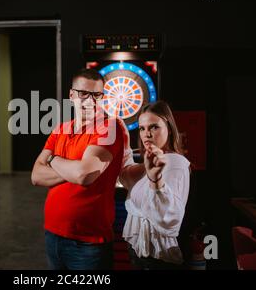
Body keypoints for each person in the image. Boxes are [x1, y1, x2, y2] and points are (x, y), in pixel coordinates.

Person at [31, 68, 124, 270]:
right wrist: (72, 169)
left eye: (96, 95)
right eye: (83, 94)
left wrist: (54, 158)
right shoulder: (60, 129)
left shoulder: (110, 129)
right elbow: (36, 176)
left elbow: (84, 175)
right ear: (72, 95)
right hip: (52, 234)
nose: (90, 101)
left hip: (89, 243)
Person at [119, 100, 190, 270]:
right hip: (141, 256)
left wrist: (156, 180)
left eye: (154, 127)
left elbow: (169, 219)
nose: (146, 134)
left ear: (169, 127)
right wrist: (125, 142)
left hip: (156, 261)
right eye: (142, 128)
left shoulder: (175, 163)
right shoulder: (149, 163)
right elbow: (125, 177)